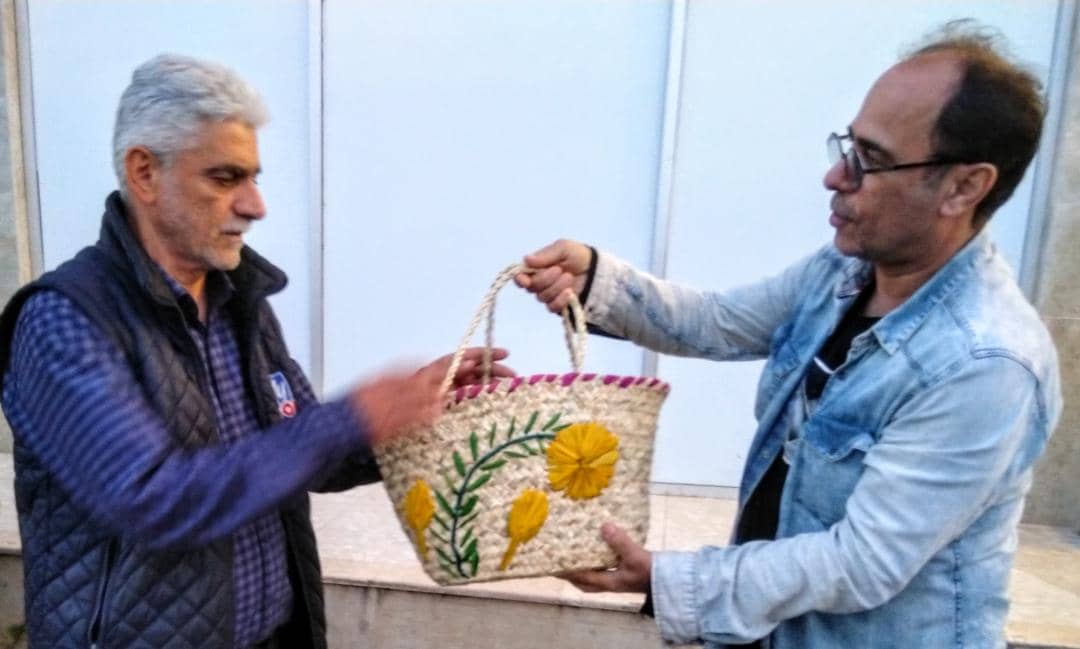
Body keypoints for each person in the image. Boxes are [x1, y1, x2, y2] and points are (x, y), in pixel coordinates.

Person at [516, 21, 1061, 649]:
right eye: (847, 146)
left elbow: (860, 561)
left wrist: (667, 579)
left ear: (964, 187)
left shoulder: (986, 364)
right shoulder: (845, 272)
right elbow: (717, 322)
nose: (836, 178)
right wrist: (597, 280)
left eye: (871, 160)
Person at [0, 54, 510, 649]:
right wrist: (351, 418)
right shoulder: (65, 320)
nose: (254, 205)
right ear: (144, 172)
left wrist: (411, 411)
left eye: (254, 179)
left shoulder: (239, 301)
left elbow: (304, 452)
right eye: (224, 178)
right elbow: (154, 502)